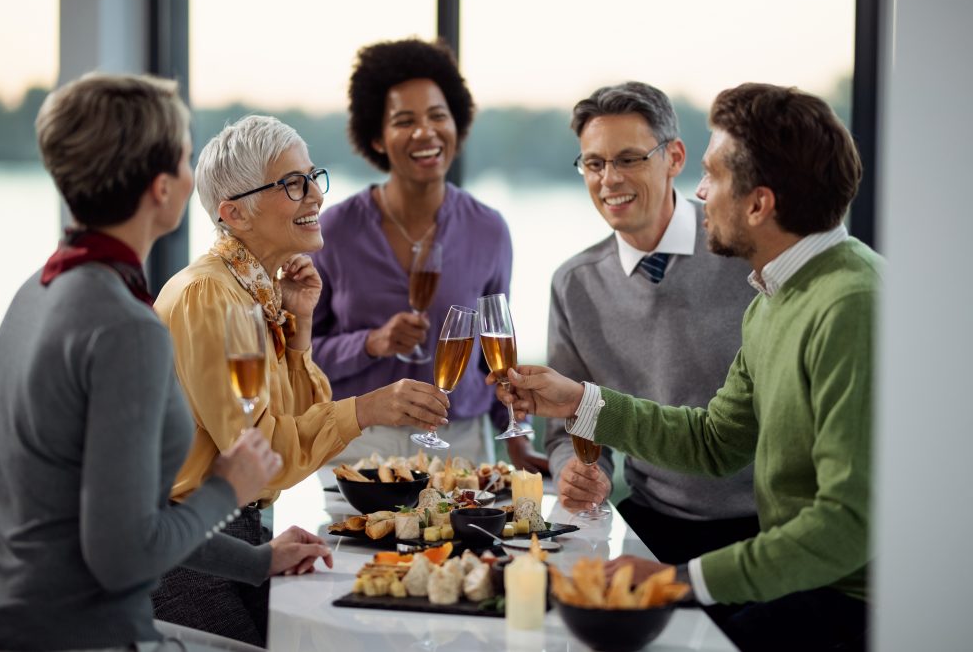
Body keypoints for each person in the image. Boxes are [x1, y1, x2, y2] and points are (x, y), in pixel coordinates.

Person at [0, 74, 331, 650]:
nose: (190, 174)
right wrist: (227, 489)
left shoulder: (38, 289)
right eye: (183, 158)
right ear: (160, 188)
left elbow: (121, 516)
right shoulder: (127, 329)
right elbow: (123, 556)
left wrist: (255, 561)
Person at [496, 83, 878, 652]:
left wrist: (679, 581)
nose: (701, 193)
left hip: (848, 596)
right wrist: (579, 402)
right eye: (595, 162)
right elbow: (714, 441)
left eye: (713, 175)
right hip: (792, 575)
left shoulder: (851, 303)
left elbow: (846, 527)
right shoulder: (777, 294)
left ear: (758, 203)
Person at [150, 114, 449, 644]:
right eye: (292, 183)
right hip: (184, 554)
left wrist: (302, 324)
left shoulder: (251, 291)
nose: (315, 195)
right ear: (233, 212)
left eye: (313, 177)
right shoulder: (209, 295)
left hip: (231, 536)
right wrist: (368, 409)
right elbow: (263, 461)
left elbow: (288, 421)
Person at [543, 82, 758, 565]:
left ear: (675, 157)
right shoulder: (574, 284)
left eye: (629, 159)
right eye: (594, 163)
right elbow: (567, 424)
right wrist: (574, 467)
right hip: (650, 524)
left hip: (765, 524)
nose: (609, 179)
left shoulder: (748, 251)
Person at [311, 37, 547, 471]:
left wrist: (519, 440)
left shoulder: (488, 229)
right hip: (358, 443)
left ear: (456, 125)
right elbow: (300, 357)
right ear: (377, 139)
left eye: (439, 116)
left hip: (461, 444)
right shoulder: (334, 231)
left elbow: (495, 359)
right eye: (404, 120)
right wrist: (371, 343)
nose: (425, 131)